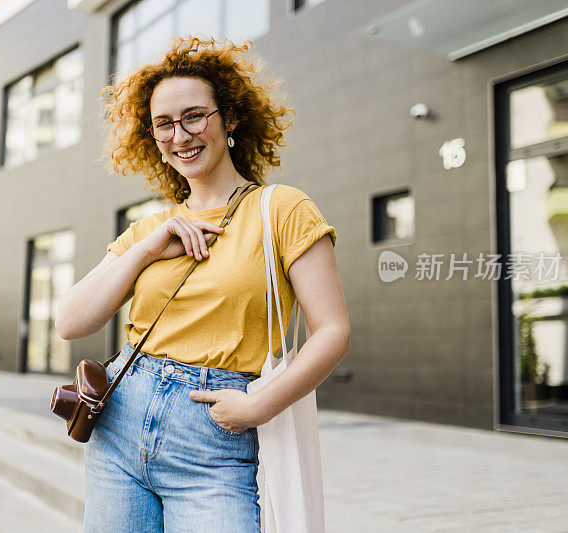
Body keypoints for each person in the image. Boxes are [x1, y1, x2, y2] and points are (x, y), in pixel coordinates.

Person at [55, 36, 350, 533]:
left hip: (216, 435)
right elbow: (70, 321)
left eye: (195, 116)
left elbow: (334, 331)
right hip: (122, 425)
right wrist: (147, 250)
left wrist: (258, 405)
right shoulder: (152, 228)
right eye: (163, 124)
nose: (180, 135)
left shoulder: (282, 209)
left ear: (229, 119)